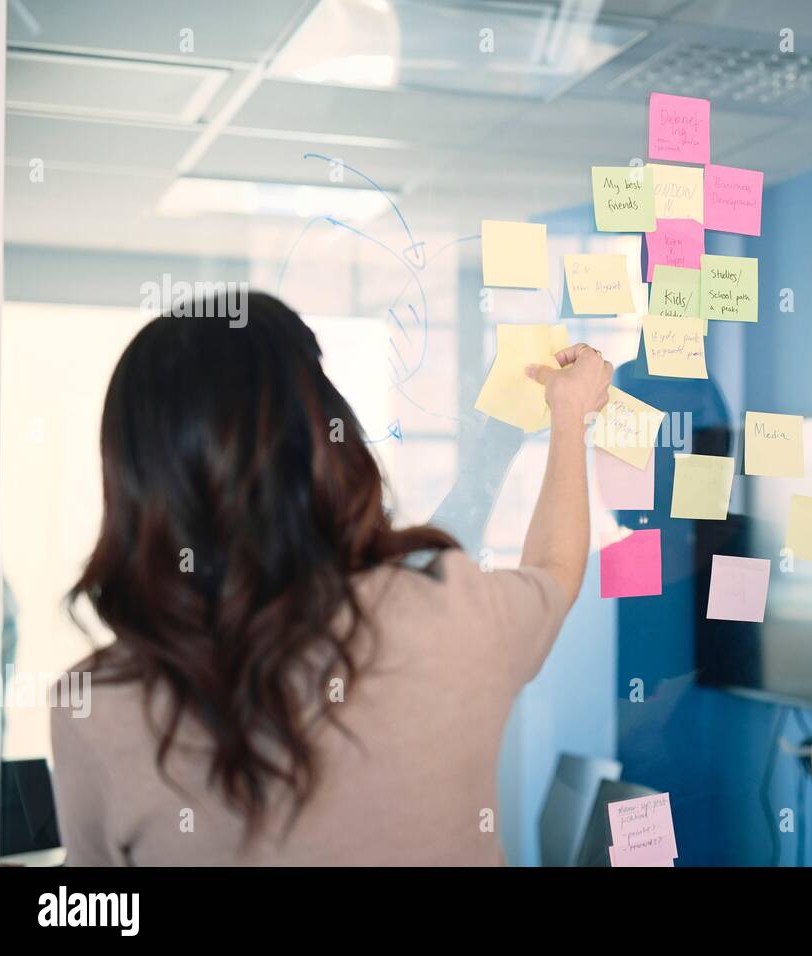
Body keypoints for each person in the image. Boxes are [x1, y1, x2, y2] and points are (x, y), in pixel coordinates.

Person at [50, 292, 611, 865]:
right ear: (326, 442)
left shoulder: (98, 708)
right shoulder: (450, 612)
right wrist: (570, 416)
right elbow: (554, 571)